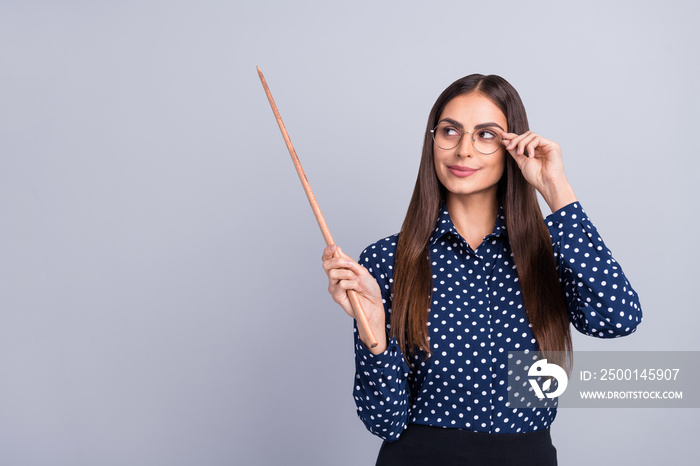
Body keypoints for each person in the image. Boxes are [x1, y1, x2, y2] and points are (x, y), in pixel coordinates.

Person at [321, 74, 642, 466]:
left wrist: (556, 188)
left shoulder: (549, 251)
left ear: (513, 146)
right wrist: (374, 331)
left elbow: (618, 318)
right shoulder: (387, 260)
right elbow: (385, 421)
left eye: (486, 135)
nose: (464, 150)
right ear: (432, 140)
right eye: (450, 131)